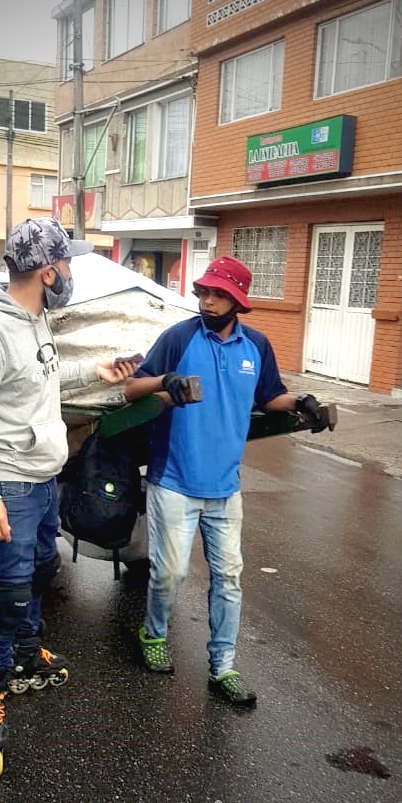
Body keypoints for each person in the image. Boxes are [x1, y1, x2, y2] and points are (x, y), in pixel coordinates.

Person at [0, 216, 137, 770]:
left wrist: (95, 372)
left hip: (42, 477)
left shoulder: (36, 321)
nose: (72, 272)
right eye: (69, 263)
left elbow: (38, 383)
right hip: (9, 480)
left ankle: (27, 654)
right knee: (7, 592)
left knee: (38, 571)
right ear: (48, 270)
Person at [124, 255, 331, 708]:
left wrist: (305, 402)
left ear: (237, 299)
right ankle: (153, 632)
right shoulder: (178, 338)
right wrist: (167, 379)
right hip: (174, 480)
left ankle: (223, 666)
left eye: (219, 294)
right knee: (170, 573)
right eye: (204, 292)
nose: (209, 300)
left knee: (230, 578)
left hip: (224, 487)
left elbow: (271, 395)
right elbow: (131, 389)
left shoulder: (255, 346)